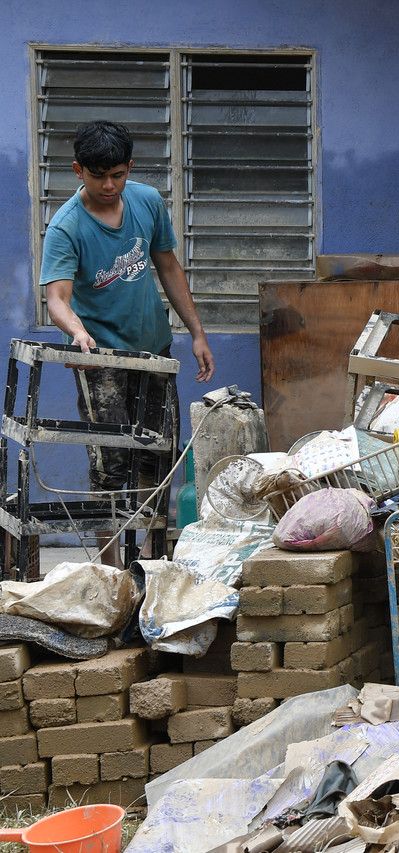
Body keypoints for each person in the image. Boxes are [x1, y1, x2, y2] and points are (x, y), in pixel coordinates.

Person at [40, 120, 215, 566]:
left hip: (153, 352)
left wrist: (196, 332)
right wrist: (77, 332)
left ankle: (151, 566)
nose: (108, 185)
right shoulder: (66, 226)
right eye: (98, 175)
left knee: (160, 456)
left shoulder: (146, 201)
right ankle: (110, 569)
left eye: (117, 174)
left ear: (129, 167)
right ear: (78, 170)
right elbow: (56, 298)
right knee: (110, 464)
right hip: (100, 360)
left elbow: (169, 268)